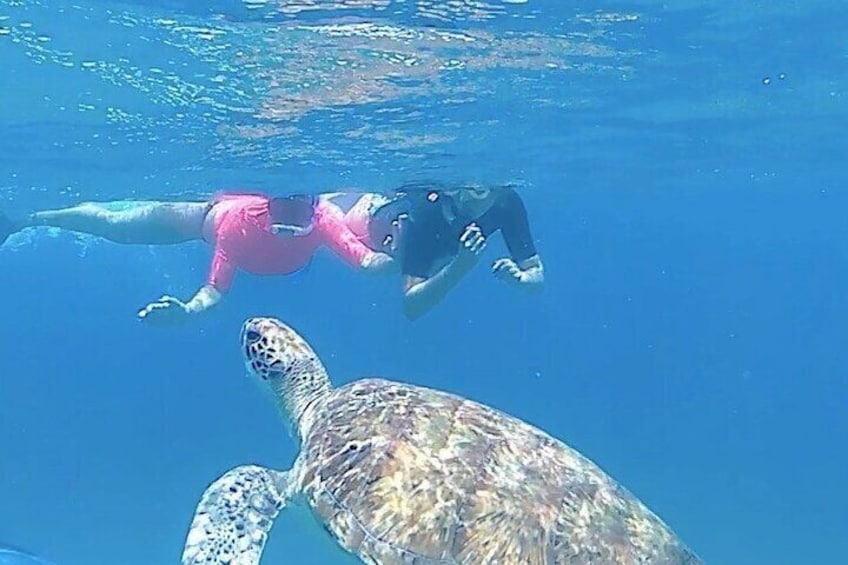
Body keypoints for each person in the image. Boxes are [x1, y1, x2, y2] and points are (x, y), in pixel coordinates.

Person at [0, 192, 394, 324]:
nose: (293, 218)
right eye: (284, 211)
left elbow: (364, 261)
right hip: (199, 219)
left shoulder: (326, 218)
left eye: (302, 209)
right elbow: (215, 288)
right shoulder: (237, 227)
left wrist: (400, 257)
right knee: (115, 226)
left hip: (292, 261)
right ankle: (31, 218)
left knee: (365, 220)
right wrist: (189, 311)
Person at [343, 183, 544, 320]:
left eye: (478, 191)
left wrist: (520, 279)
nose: (463, 198)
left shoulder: (505, 201)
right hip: (367, 225)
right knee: (380, 258)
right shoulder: (425, 213)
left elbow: (536, 277)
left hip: (430, 251)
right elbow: (411, 308)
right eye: (457, 189)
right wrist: (461, 266)